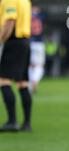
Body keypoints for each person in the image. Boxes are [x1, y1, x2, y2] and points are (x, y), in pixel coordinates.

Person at [0, 0, 32, 132]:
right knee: (22, 83)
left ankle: (12, 121)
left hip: (13, 41)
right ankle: (26, 123)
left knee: (3, 80)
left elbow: (10, 21)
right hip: (25, 42)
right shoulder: (25, 1)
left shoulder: (9, 0)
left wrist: (1, 40)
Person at [29, 5, 45, 94]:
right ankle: (35, 81)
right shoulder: (41, 16)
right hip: (38, 44)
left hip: (29, 43)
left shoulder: (26, 16)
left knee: (30, 66)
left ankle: (30, 84)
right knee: (39, 66)